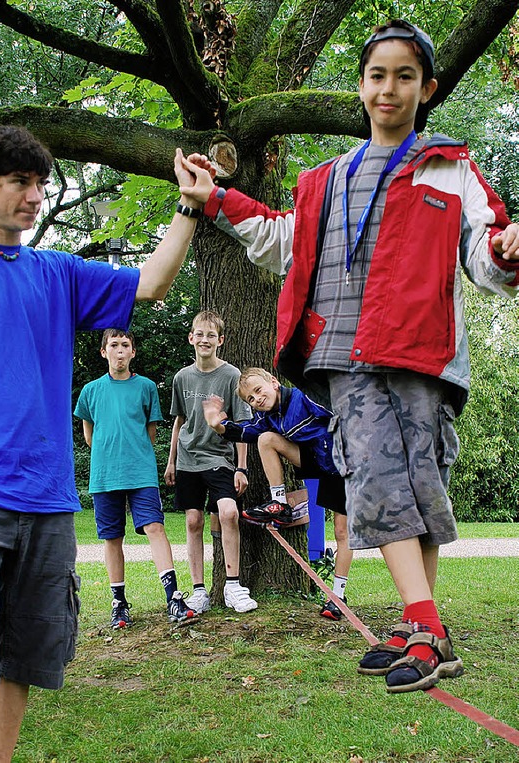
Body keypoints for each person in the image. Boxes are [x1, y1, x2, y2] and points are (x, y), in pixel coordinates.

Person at [175, 19, 519, 693]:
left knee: (415, 492)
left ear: (428, 87)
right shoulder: (325, 181)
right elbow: (280, 241)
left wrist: (508, 253)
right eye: (377, 75)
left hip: (425, 356)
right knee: (378, 481)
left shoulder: (449, 167)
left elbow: (486, 253)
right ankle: (423, 624)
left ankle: (425, 629)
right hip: (348, 355)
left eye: (405, 76)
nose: (389, 88)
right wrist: (214, 198)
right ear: (362, 86)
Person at [0, 124, 204, 761]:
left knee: (21, 652)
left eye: (40, 184)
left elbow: (152, 284)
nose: (34, 196)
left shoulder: (57, 273)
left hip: (48, 495)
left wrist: (189, 205)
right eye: (21, 182)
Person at [202, 366, 354, 621]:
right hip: (316, 462)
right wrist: (219, 426)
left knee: (342, 530)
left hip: (344, 463)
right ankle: (280, 503)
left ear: (273, 382)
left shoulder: (304, 397)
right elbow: (248, 431)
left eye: (258, 391)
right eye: (251, 399)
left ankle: (338, 596)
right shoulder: (268, 417)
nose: (257, 399)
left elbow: (342, 413)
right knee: (265, 439)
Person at [74, 328, 195, 628]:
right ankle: (119, 603)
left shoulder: (146, 387)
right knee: (112, 537)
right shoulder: (90, 391)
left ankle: (173, 598)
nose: (119, 350)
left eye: (125, 345)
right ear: (104, 352)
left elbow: (150, 433)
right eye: (113, 345)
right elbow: (90, 435)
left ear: (132, 352)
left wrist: (133, 454)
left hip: (140, 473)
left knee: (155, 527)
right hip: (105, 476)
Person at [164, 310, 258, 614]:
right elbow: (180, 422)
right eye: (199, 334)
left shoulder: (231, 376)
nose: (205, 340)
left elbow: (242, 425)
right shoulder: (182, 377)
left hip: (220, 459)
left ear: (221, 340)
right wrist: (171, 462)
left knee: (229, 513)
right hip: (188, 460)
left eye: (211, 335)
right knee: (193, 521)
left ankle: (233, 585)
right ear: (191, 338)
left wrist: (241, 467)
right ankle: (199, 591)